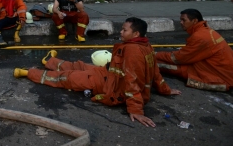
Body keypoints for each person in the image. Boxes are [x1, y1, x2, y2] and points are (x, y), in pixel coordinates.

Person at [14, 17, 181, 127]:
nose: (121, 32)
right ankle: (49, 61)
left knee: (68, 78)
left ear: (136, 33)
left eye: (124, 30)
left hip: (110, 86)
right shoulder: (146, 45)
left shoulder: (133, 51)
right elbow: (155, 72)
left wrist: (136, 110)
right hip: (109, 76)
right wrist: (165, 89)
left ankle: (29, 73)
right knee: (82, 66)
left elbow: (132, 81)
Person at [156, 9, 233, 91]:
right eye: (180, 20)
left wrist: (156, 54)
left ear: (195, 21)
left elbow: (177, 58)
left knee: (158, 63)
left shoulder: (200, 36)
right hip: (222, 71)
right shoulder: (206, 31)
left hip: (221, 78)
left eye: (184, 20)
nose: (181, 23)